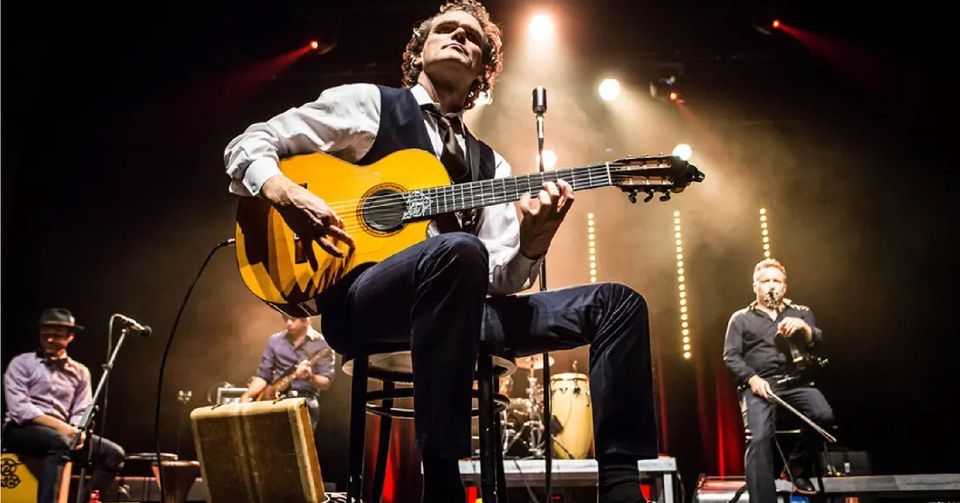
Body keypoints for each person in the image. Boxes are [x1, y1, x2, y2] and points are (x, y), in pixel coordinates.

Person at [223, 2, 657, 501]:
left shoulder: (491, 165)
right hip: (363, 305)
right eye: (444, 29)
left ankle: (622, 485)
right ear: (419, 50)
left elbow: (499, 279)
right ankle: (443, 479)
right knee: (459, 251)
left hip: (459, 312)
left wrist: (532, 247)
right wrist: (285, 192)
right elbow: (249, 143)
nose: (456, 37)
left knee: (618, 304)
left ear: (482, 69)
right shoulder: (371, 105)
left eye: (470, 37)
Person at [723, 259, 836, 500]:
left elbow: (816, 341)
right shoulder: (741, 318)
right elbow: (730, 356)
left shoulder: (801, 312)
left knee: (823, 415)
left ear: (784, 287)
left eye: (776, 281)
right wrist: (751, 378)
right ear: (755, 286)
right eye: (766, 281)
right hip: (760, 385)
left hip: (796, 382)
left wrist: (803, 328)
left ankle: (794, 470)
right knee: (760, 436)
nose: (771, 286)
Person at [3, 308, 127, 502]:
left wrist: (79, 431)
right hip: (21, 429)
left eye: (57, 336)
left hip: (64, 432)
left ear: (70, 337)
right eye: (46, 335)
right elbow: (20, 408)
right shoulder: (21, 363)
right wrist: (64, 429)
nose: (50, 340)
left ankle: (87, 500)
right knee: (59, 443)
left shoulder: (80, 371)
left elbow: (82, 408)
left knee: (113, 454)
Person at [240, 314, 335, 430]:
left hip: (304, 402)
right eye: (285, 319)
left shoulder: (323, 345)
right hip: (274, 402)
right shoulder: (275, 340)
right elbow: (263, 375)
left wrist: (310, 377)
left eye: (293, 319)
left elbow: (325, 382)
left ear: (306, 320)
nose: (288, 323)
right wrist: (247, 396)